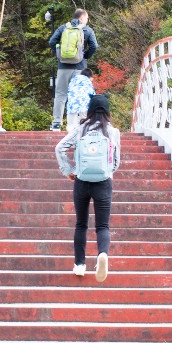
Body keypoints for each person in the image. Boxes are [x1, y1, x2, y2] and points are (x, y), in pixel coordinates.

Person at [55, 94, 119, 281]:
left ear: (90, 110)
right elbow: (116, 162)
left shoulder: (80, 129)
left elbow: (60, 148)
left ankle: (80, 265)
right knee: (102, 226)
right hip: (103, 183)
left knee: (81, 224)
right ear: (107, 111)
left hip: (82, 181)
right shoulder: (112, 131)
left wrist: (68, 170)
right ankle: (103, 254)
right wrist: (106, 171)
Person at [46, 8, 98, 131]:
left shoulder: (63, 28)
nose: (87, 20)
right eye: (86, 18)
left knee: (60, 95)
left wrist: (59, 55)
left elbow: (52, 41)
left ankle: (57, 123)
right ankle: (82, 122)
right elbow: (94, 46)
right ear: (81, 17)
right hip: (80, 68)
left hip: (63, 67)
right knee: (81, 95)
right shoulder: (87, 30)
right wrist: (85, 56)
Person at [61, 62, 95, 131]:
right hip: (84, 104)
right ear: (90, 76)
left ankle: (70, 133)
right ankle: (84, 132)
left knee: (71, 123)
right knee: (85, 120)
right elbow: (92, 94)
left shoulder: (73, 80)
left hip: (72, 104)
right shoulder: (87, 81)